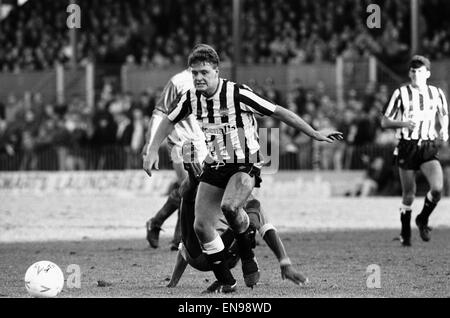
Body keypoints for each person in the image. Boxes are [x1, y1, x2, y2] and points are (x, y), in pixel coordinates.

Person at [144, 44, 342, 293]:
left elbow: (278, 112)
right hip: (216, 163)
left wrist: (314, 133)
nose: (199, 78)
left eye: (204, 72)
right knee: (201, 226)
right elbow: (168, 120)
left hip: (245, 163)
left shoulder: (237, 94)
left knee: (229, 206)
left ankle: (247, 253)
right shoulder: (190, 97)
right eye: (195, 73)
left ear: (217, 71)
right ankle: (228, 281)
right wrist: (152, 149)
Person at [166, 168, 308, 290]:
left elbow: (267, 229)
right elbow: (267, 229)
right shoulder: (213, 191)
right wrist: (284, 261)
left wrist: (285, 262)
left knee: (192, 201)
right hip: (203, 255)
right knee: (249, 212)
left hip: (208, 256)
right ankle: (245, 258)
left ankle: (241, 263)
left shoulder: (235, 194)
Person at [381, 55, 449, 246]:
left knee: (437, 189)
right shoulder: (400, 93)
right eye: (412, 70)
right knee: (409, 194)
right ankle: (405, 234)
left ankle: (422, 219)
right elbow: (384, 121)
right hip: (407, 147)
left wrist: (444, 129)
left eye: (419, 71)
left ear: (427, 73)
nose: (415, 74)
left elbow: (443, 114)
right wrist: (403, 123)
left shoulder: (436, 93)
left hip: (427, 146)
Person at [142, 69, 208, 251]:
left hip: (203, 142)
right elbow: (159, 112)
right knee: (189, 187)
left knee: (191, 189)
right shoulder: (178, 81)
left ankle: (156, 223)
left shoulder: (212, 81)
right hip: (181, 142)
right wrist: (150, 145)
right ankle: (181, 238)